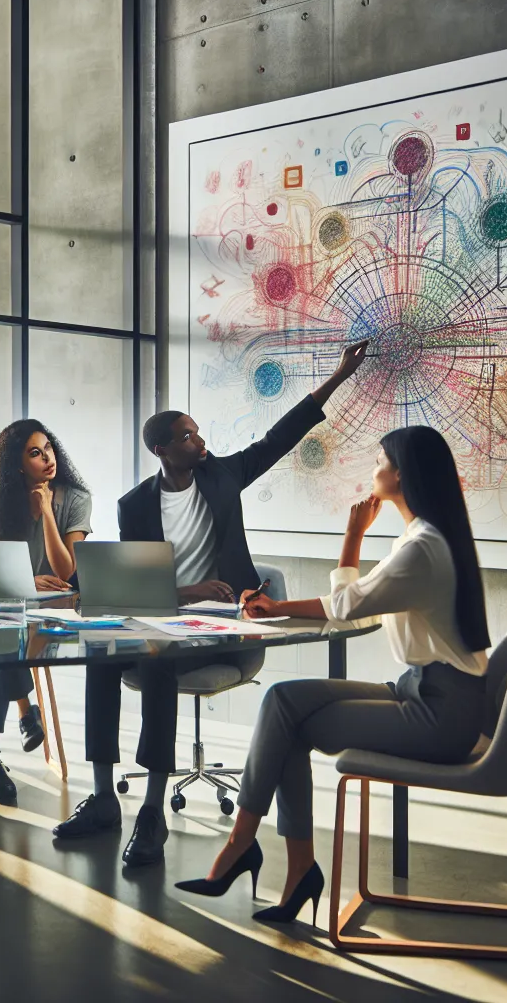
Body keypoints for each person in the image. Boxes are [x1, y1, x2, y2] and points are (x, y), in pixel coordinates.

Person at [52, 339, 369, 869]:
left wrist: (336, 377)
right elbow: (137, 585)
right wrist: (186, 593)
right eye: (187, 435)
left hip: (222, 630)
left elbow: (280, 437)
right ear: (162, 450)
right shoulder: (134, 506)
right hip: (167, 620)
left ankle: (152, 809)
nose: (200, 441)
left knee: (157, 661)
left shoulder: (223, 477)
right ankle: (105, 797)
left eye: (198, 432)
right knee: (101, 659)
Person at [175, 426, 493, 926]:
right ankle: (270, 858)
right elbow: (362, 609)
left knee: (288, 726)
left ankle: (247, 850)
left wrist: (352, 536)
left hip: (440, 714)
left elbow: (347, 606)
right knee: (282, 701)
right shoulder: (423, 537)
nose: (374, 469)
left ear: (402, 474)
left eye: (380, 460)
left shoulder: (422, 547)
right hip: (426, 692)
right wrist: (279, 606)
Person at [0, 418, 91, 803]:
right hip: (16, 601)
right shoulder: (1, 499)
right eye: (35, 453)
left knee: (0, 644)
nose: (47, 458)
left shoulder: (75, 498)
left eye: (49, 449)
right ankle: (3, 734)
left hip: (61, 605)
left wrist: (47, 512)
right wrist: (26, 582)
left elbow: (66, 570)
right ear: (18, 464)